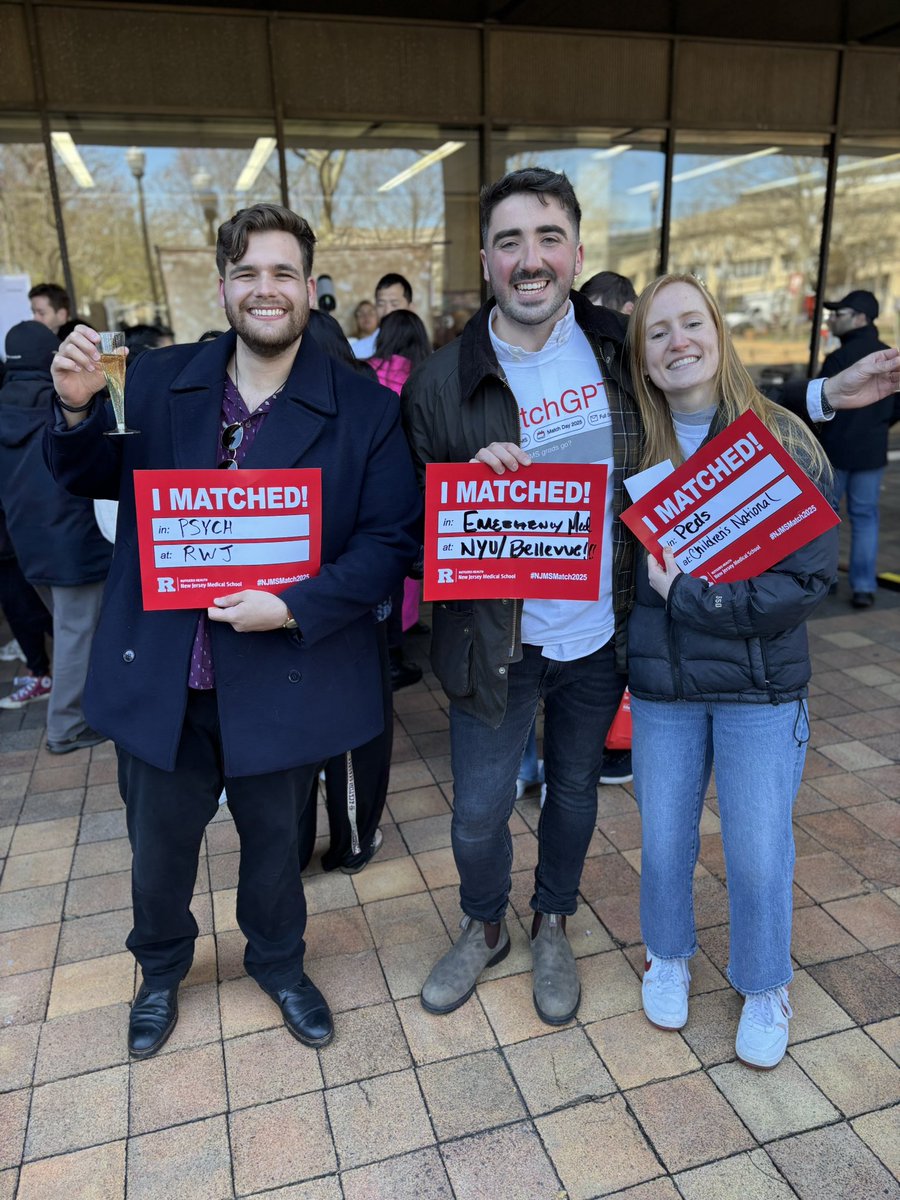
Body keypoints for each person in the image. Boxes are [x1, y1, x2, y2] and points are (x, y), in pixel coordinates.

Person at [401, 166, 900, 1029]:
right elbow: (401, 519)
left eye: (548, 238)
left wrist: (819, 395)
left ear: (577, 252)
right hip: (494, 643)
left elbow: (710, 400)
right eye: (511, 241)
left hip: (602, 634)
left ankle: (553, 920)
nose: (531, 259)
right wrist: (460, 493)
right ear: (485, 258)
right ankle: (485, 928)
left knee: (577, 793)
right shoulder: (440, 381)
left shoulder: (616, 352)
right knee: (480, 810)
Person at [46, 202, 420, 1059]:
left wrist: (295, 605)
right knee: (159, 850)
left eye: (283, 273)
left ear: (310, 290)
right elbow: (86, 474)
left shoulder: (361, 410)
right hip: (166, 674)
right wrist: (74, 412)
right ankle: (161, 968)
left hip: (281, 669)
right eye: (247, 272)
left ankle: (279, 962)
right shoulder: (148, 380)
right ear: (223, 287)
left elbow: (389, 542)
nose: (265, 289)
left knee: (277, 844)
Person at [626, 273, 838, 1069]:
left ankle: (763, 983)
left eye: (691, 324)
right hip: (666, 689)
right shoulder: (634, 447)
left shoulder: (781, 439)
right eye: (658, 332)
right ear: (643, 359)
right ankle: (668, 954)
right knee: (664, 839)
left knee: (756, 850)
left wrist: (692, 596)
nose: (678, 342)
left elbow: (807, 580)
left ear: (718, 333)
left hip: (760, 687)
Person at [0, 321, 110, 751]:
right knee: (75, 634)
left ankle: (92, 707)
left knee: (70, 629)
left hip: (25, 541)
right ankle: (66, 727)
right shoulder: (63, 402)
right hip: (74, 540)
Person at [818, 291, 899, 608]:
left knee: (827, 517)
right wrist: (878, 425)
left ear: (860, 318)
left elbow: (819, 405)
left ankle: (827, 581)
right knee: (866, 517)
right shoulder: (887, 356)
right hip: (871, 453)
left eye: (839, 314)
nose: (832, 319)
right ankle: (864, 587)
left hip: (834, 454)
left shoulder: (838, 358)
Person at [351, 273, 414, 359]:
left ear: (410, 308)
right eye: (381, 304)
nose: (387, 311)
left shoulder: (425, 353)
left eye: (394, 304)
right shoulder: (356, 352)